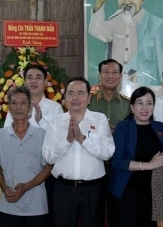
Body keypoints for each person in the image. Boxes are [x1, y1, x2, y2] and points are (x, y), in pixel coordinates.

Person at [42, 77, 115, 227]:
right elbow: (48, 156)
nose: (75, 97)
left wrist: (83, 139)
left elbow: (108, 152)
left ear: (89, 98)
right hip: (63, 190)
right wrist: (67, 140)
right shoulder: (56, 122)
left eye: (80, 93)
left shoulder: (99, 119)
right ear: (65, 98)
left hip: (93, 191)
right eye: (71, 93)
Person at [110, 86, 163, 227]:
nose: (144, 107)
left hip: (155, 194)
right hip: (127, 193)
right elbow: (117, 162)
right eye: (140, 103)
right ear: (132, 107)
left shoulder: (160, 128)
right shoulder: (122, 127)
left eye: (149, 103)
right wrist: (149, 165)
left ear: (153, 107)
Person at [88, 0, 163, 86]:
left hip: (147, 90)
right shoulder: (116, 21)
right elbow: (95, 30)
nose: (126, 1)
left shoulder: (158, 25)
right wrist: (100, 1)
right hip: (118, 89)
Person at [0, 86, 52, 227]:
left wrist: (26, 187)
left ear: (30, 107)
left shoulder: (42, 135)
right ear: (9, 107)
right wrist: (4, 187)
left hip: (36, 207)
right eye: (14, 103)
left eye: (23, 103)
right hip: (8, 205)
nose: (18, 107)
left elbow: (47, 168)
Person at [88, 58, 130, 227]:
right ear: (100, 76)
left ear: (120, 76)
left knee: (117, 212)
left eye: (114, 72)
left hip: (119, 166)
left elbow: (133, 133)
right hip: (93, 164)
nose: (110, 76)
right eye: (106, 72)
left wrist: (118, 133)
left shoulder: (129, 104)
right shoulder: (88, 101)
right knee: (93, 212)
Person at [4, 64, 63, 129]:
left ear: (45, 82)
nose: (33, 81)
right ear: (24, 82)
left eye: (38, 78)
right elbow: (7, 133)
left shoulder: (55, 108)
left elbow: (58, 135)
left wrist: (41, 121)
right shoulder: (16, 106)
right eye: (30, 78)